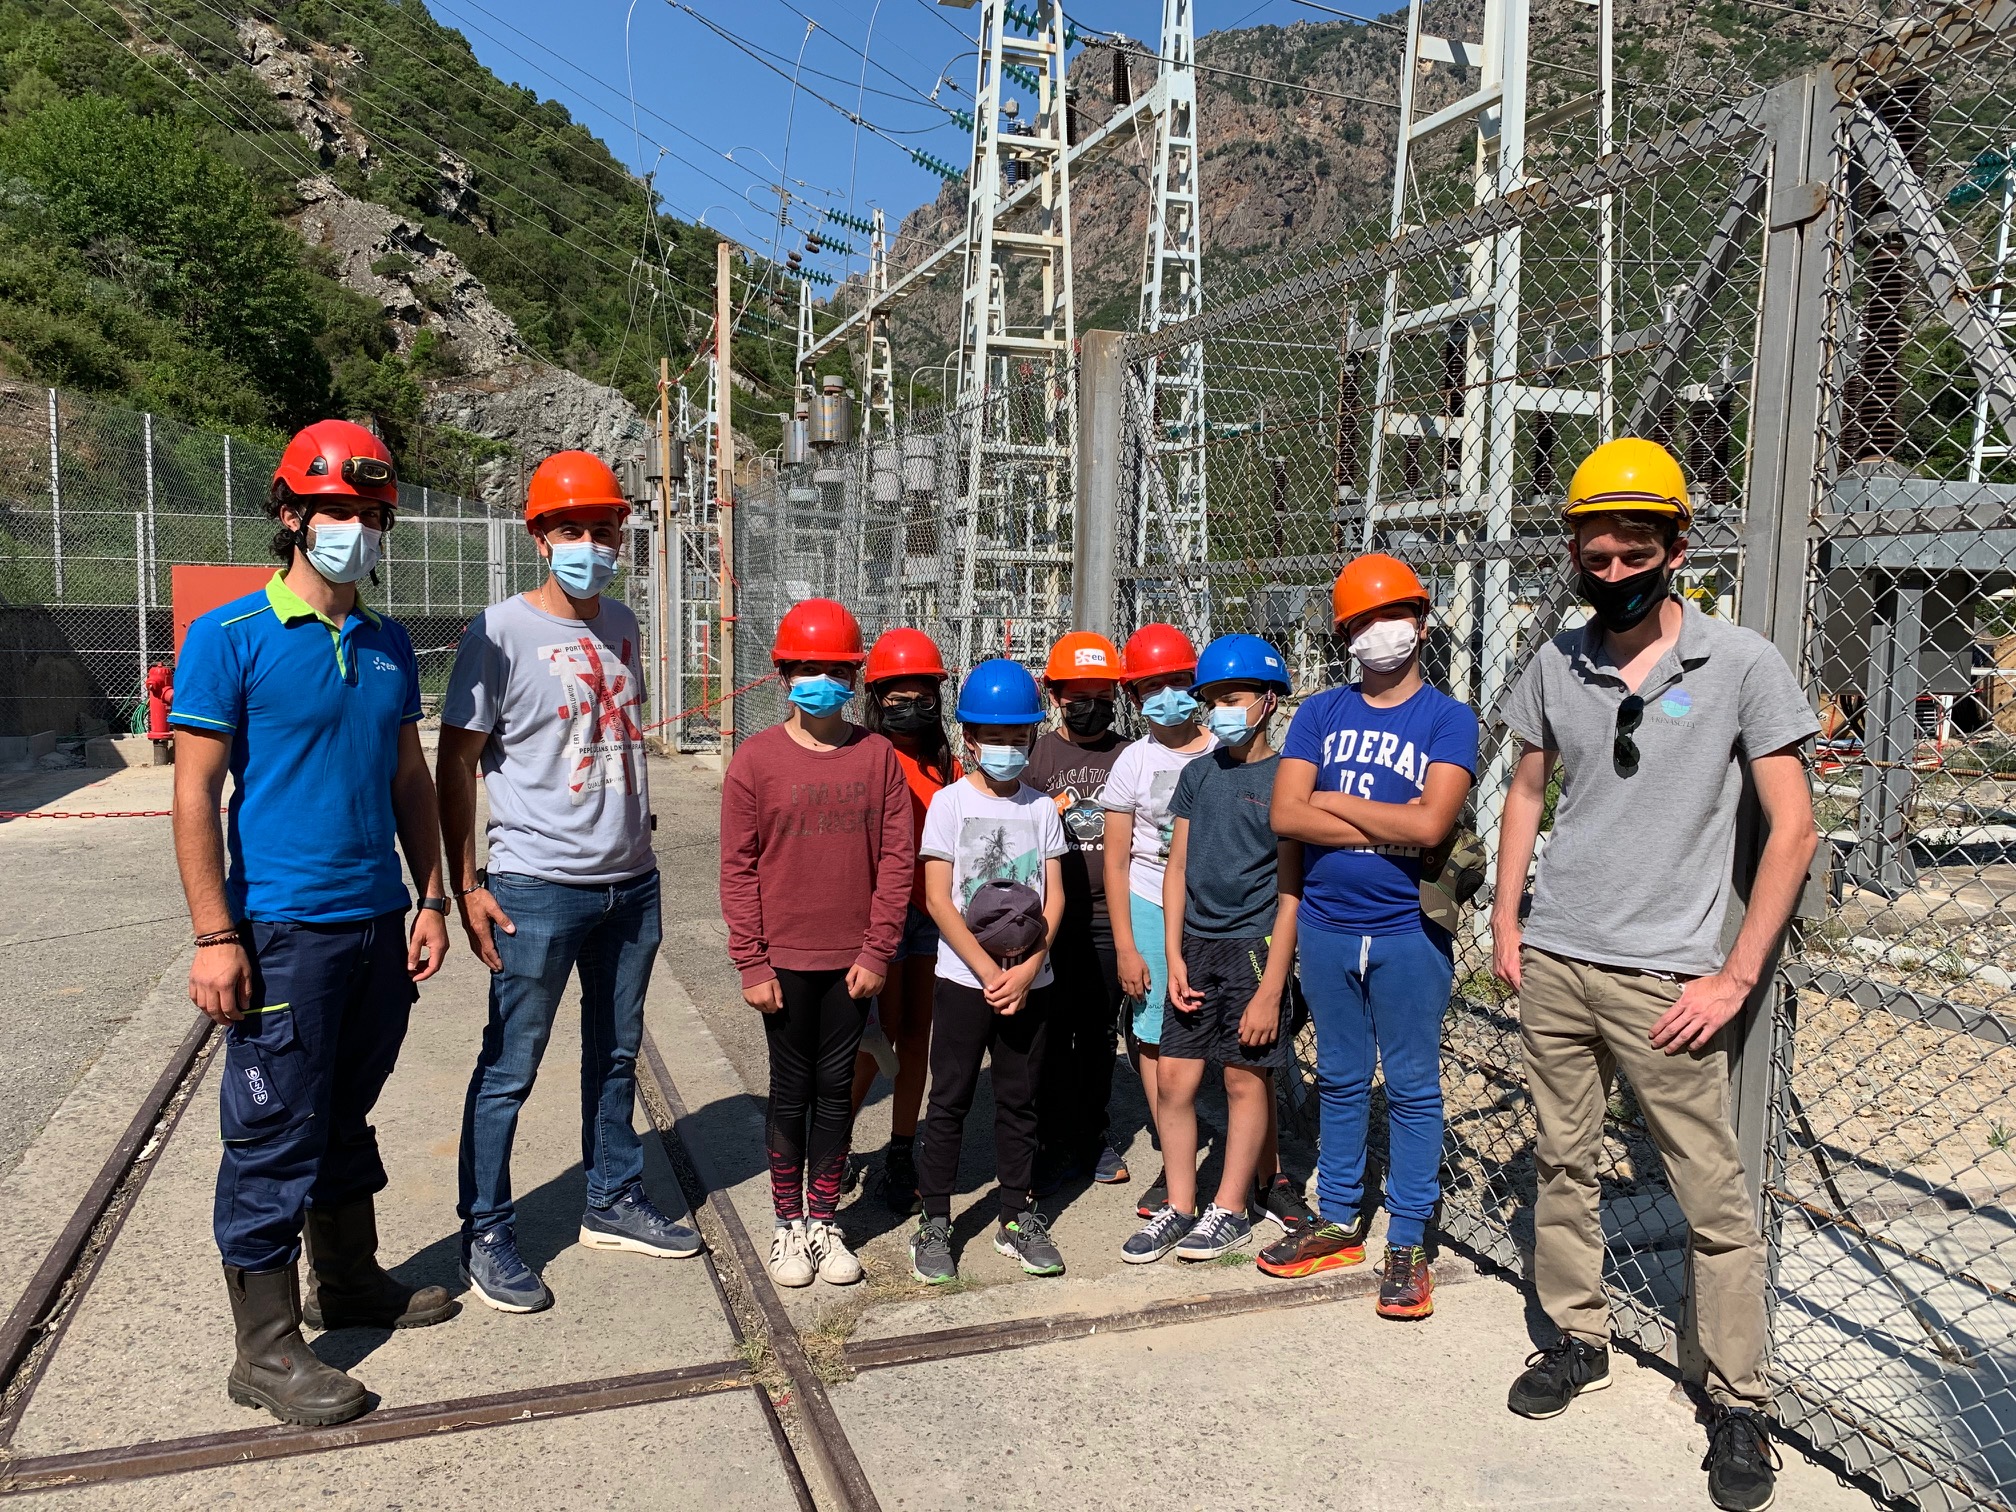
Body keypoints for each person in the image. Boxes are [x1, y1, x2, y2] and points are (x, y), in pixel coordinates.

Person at [1492, 439, 1817, 1512]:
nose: (1616, 573)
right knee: (1561, 1162)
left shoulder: (1741, 664)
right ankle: (1576, 1338)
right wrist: (1508, 919)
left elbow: (1793, 829)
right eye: (1597, 557)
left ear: (1677, 548)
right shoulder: (1558, 661)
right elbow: (1528, 791)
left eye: (1636, 554)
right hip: (1558, 960)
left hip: (1667, 979)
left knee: (1710, 1195)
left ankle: (1738, 1401)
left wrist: (1734, 976)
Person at [171, 419, 455, 1427]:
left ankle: (348, 1280)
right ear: (290, 514)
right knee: (273, 1130)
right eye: (335, 509)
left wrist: (430, 896)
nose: (355, 528)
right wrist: (216, 936)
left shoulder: (386, 644)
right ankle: (265, 1349)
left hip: (378, 923)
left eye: (371, 512)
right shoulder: (231, 637)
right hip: (283, 931)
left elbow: (410, 778)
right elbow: (195, 794)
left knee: (344, 1109)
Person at [438, 451, 700, 1316]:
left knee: (616, 1054)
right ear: (540, 539)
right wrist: (465, 884)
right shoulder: (499, 633)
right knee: (510, 1068)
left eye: (604, 529)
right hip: (536, 885)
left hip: (630, 885)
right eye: (572, 529)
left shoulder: (622, 624)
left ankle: (611, 1199)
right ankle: (486, 1231)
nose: (591, 544)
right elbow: (456, 763)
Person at [1265, 554, 1478, 1321]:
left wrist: (1331, 802)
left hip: (1407, 930)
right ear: (1345, 634)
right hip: (1326, 925)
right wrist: (1393, 821)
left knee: (1414, 1086)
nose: (1378, 631)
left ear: (1421, 623)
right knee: (1342, 1077)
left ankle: (1409, 1239)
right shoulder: (1321, 712)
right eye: (1361, 621)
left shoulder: (1448, 719)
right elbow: (1284, 815)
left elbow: (1433, 825)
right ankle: (1339, 1217)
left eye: (1393, 615)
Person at [719, 598, 915, 1288]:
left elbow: (897, 860)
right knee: (790, 1089)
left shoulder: (877, 756)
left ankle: (825, 1219)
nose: (821, 682)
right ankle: (787, 1225)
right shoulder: (755, 761)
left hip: (852, 963)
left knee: (836, 1089)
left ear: (855, 679)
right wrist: (751, 960)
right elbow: (738, 866)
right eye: (806, 668)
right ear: (782, 675)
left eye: (836, 670)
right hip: (782, 962)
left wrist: (878, 949)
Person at [1123, 635, 1305, 1264]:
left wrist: (1272, 987)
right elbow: (1175, 868)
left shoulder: (1287, 778)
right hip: (1195, 947)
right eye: (1214, 699)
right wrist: (1173, 955)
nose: (1221, 710)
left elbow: (1291, 892)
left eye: (1234, 697)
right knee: (1175, 1080)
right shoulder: (1198, 774)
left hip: (1252, 948)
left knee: (1243, 1079)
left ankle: (1230, 1209)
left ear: (1268, 701)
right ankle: (1180, 1206)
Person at [909, 659, 1069, 1285]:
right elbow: (938, 898)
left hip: (1030, 983)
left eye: (1018, 736)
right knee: (948, 1100)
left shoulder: (1042, 809)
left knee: (1019, 1100)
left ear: (1033, 736)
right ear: (969, 738)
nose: (1006, 748)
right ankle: (934, 1220)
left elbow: (1054, 897)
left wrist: (1028, 969)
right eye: (993, 736)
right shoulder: (949, 804)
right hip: (963, 980)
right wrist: (987, 971)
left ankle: (1015, 1215)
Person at [1100, 623, 1216, 1216]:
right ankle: (1176, 1156)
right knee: (1152, 1026)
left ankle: (1246, 1153)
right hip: (1149, 899)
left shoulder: (1221, 747)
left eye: (1176, 682)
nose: (1166, 696)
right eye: (1150, 687)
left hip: (1217, 904)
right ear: (1133, 695)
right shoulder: (1134, 761)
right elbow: (1117, 860)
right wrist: (1126, 945)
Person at [849, 627, 959, 1213]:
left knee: (917, 1037)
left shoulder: (947, 765)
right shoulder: (865, 757)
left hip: (933, 917)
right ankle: (835, 1143)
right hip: (883, 918)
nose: (911, 707)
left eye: (923, 696)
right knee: (875, 1038)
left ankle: (900, 1147)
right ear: (876, 699)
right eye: (897, 697)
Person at [1025, 630, 1132, 1192]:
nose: (1090, 705)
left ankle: (1090, 1133)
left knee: (1096, 1033)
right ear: (1055, 696)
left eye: (1101, 695)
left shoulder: (1127, 755)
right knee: (1048, 1030)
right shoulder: (1037, 755)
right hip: (1052, 919)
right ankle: (1047, 1137)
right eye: (1077, 696)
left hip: (1108, 920)